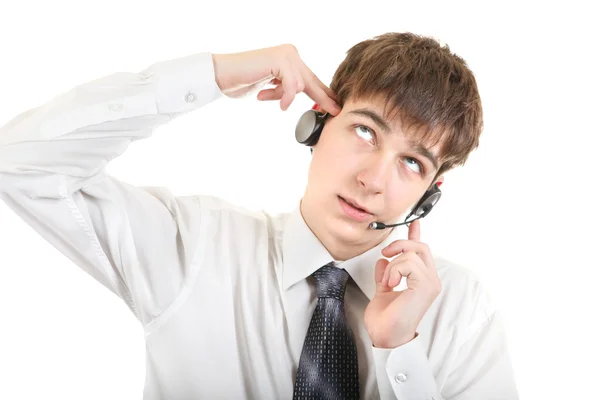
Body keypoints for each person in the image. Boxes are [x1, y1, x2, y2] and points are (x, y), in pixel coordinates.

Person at [0, 32, 519, 399]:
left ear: (430, 194)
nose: (374, 180)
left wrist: (401, 351)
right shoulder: (196, 246)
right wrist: (214, 75)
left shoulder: (460, 310)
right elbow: (19, 163)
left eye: (412, 162)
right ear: (316, 125)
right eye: (366, 131)